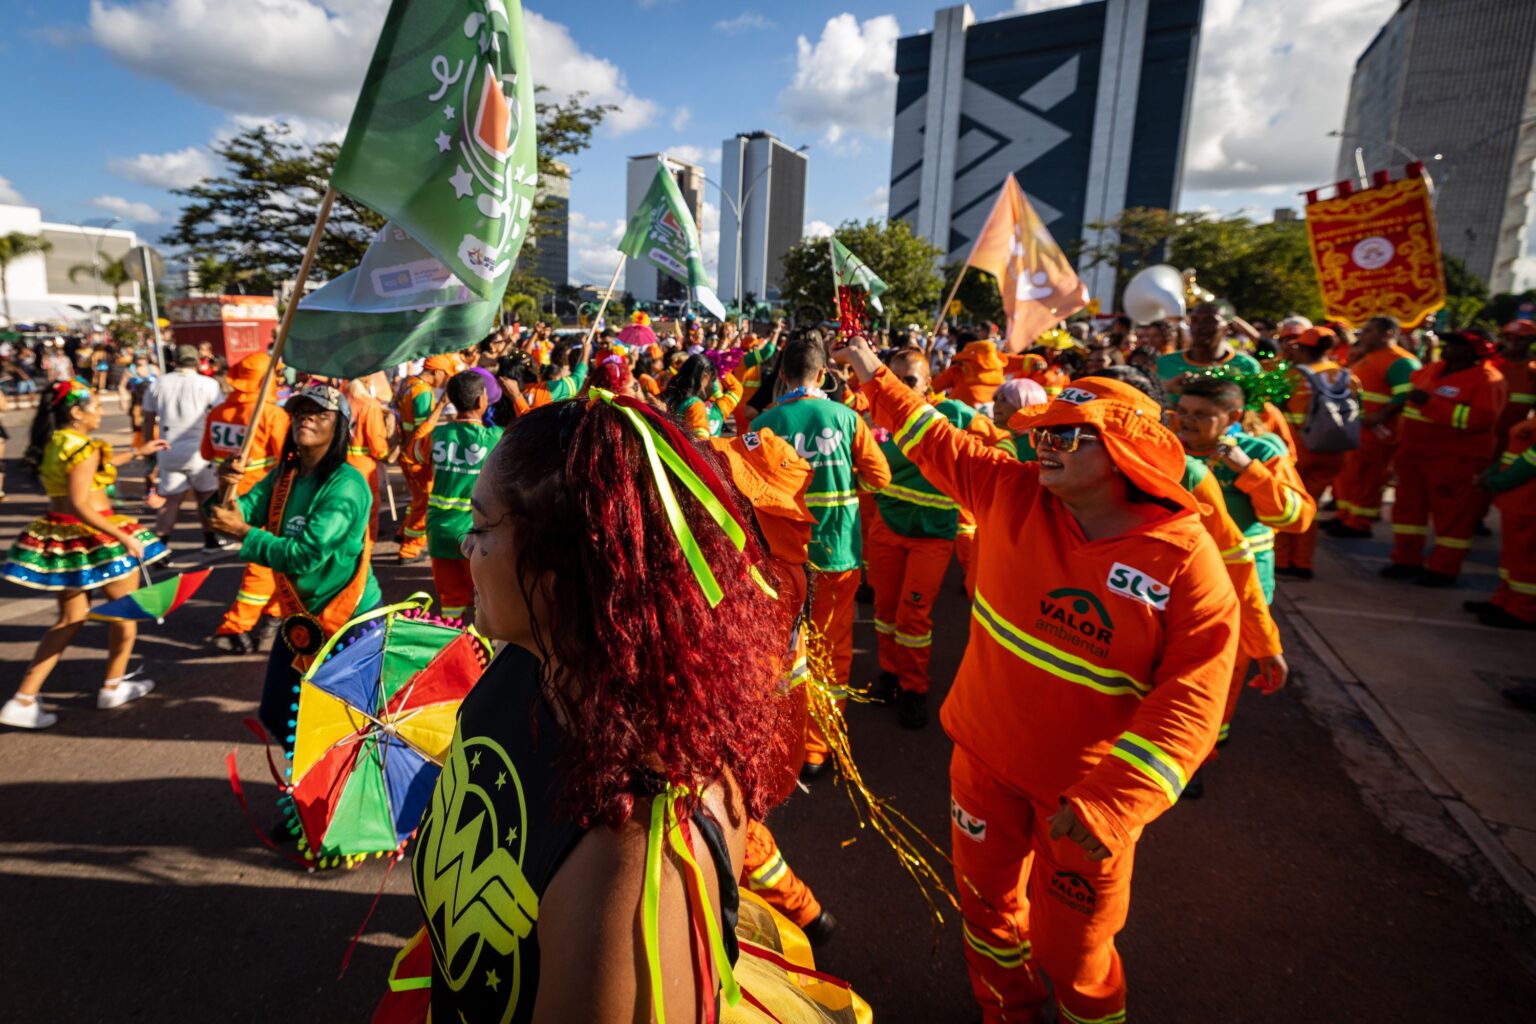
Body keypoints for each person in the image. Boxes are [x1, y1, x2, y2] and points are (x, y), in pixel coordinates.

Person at [833, 333, 1237, 1024]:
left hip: (1084, 805)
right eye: (1041, 431)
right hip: (983, 768)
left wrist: (1112, 804)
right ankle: (1005, 1014)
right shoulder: (1009, 491)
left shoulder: (1184, 559)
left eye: (1065, 435)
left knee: (1075, 952)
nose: (1042, 445)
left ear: (1125, 452)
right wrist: (871, 371)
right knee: (987, 915)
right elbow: (933, 438)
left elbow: (1192, 700)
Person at [383, 392, 799, 1022]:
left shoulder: (633, 859)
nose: (465, 549)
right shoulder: (527, 662)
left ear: (558, 569)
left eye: (480, 526)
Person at [206, 383, 381, 746]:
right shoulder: (284, 476)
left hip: (347, 620)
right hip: (301, 619)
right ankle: (304, 787)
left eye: (319, 413)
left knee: (350, 724)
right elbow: (227, 515)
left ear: (340, 427)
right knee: (277, 711)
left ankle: (337, 794)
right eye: (300, 412)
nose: (306, 419)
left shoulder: (346, 484)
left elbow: (306, 554)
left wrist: (244, 533)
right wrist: (223, 488)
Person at [751, 334, 890, 777]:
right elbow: (881, 478)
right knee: (834, 651)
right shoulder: (846, 417)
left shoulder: (766, 423)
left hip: (782, 558)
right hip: (838, 554)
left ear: (785, 375)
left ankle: (780, 737)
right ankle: (818, 747)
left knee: (781, 647)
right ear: (824, 375)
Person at [0, 380, 170, 729]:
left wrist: (137, 452)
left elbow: (85, 478)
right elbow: (82, 503)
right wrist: (124, 536)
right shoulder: (84, 447)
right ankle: (112, 685)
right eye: (94, 407)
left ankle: (24, 698)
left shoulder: (58, 441)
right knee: (126, 612)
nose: (100, 412)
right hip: (97, 535)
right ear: (76, 413)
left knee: (71, 619)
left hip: (64, 536)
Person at [863, 349, 992, 728]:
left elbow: (999, 441)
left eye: (911, 381)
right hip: (887, 527)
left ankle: (914, 688)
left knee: (913, 616)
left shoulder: (952, 416)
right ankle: (889, 672)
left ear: (929, 383)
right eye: (896, 379)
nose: (902, 388)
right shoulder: (879, 416)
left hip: (933, 537)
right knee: (885, 611)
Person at [1384, 329, 1508, 585]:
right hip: (1414, 454)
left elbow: (1479, 420)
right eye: (1448, 343)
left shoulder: (1487, 379)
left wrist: (1429, 403)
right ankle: (1405, 559)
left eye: (1456, 345)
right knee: (1408, 510)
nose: (1448, 348)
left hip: (1455, 459)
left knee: (1452, 516)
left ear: (1473, 351)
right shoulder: (1434, 369)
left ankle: (1443, 569)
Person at [200, 352, 290, 652]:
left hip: (229, 499)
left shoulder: (218, 413)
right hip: (265, 500)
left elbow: (205, 454)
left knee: (276, 563)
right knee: (264, 564)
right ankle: (235, 626)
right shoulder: (271, 415)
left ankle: (275, 616)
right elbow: (289, 460)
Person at [412, 370, 503, 623]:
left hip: (438, 529)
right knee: (482, 598)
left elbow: (415, 449)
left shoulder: (437, 436)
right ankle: (481, 654)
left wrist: (439, 409)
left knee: (450, 602)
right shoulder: (494, 438)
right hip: (474, 534)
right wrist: (516, 396)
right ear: (480, 401)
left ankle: (453, 646)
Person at [1275, 327, 1361, 580]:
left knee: (1287, 505)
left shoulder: (1292, 376)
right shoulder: (1347, 376)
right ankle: (1303, 562)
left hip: (1299, 451)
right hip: (1334, 452)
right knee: (1312, 506)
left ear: (1302, 348)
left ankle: (1283, 561)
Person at [1326, 316, 1421, 538]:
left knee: (1368, 477)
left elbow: (1405, 395)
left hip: (1377, 433)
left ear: (1387, 334)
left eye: (1369, 331)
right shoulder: (1368, 357)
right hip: (1356, 430)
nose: (1363, 336)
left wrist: (1380, 416)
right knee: (1350, 475)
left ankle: (1360, 523)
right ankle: (1345, 515)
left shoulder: (1400, 361)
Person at [143, 344, 224, 549]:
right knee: (205, 497)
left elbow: (147, 419)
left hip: (167, 449)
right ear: (197, 361)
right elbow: (218, 417)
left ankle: (160, 547)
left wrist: (148, 450)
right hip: (200, 451)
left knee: (171, 500)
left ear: (174, 361)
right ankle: (210, 541)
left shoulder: (158, 384)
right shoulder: (208, 384)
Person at [1467, 412, 1536, 629]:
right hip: (1516, 501)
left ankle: (1523, 611)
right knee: (1512, 559)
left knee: (1526, 560)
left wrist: (1496, 482)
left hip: (1528, 502)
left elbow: (1528, 465)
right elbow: (1512, 455)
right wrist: (1491, 475)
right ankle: (1504, 601)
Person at [393, 354, 456, 562]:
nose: (444, 382)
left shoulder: (408, 383)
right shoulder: (423, 393)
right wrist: (440, 406)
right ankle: (409, 550)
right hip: (416, 456)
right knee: (423, 502)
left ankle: (404, 532)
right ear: (436, 372)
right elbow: (423, 430)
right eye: (445, 377)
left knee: (416, 499)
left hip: (406, 453)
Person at [1155, 303, 1262, 402]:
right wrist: (1166, 387)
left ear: (1228, 328)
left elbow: (1258, 409)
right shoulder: (1163, 363)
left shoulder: (1247, 366)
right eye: (1195, 320)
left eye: (1209, 321)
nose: (1199, 327)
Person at [345, 377, 392, 540]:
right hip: (363, 467)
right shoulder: (369, 405)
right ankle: (364, 551)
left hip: (339, 463)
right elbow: (377, 445)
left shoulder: (339, 399)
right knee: (367, 509)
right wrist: (385, 453)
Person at [662, 353, 744, 439]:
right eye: (713, 380)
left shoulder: (670, 397)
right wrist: (723, 371)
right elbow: (701, 442)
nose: (712, 385)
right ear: (705, 376)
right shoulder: (697, 405)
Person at [525, 335, 591, 407]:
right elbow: (578, 378)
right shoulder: (556, 385)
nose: (575, 354)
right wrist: (585, 354)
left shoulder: (529, 387)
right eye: (571, 352)